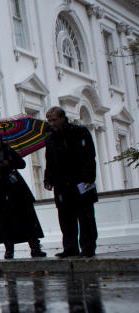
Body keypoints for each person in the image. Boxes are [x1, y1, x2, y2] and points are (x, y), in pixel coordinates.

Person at [0, 131, 47, 259]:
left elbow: (22, 164)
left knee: (27, 216)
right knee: (5, 220)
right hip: (0, 190)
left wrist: (9, 162)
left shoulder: (9, 151)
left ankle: (35, 246)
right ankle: (9, 249)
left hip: (16, 188)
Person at [44, 106, 98, 257]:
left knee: (85, 216)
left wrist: (88, 177)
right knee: (66, 217)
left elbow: (89, 156)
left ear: (62, 118)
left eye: (54, 120)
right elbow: (50, 160)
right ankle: (70, 247)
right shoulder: (50, 138)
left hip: (80, 180)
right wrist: (48, 179)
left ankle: (88, 247)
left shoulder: (79, 132)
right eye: (49, 120)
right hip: (62, 183)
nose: (52, 123)